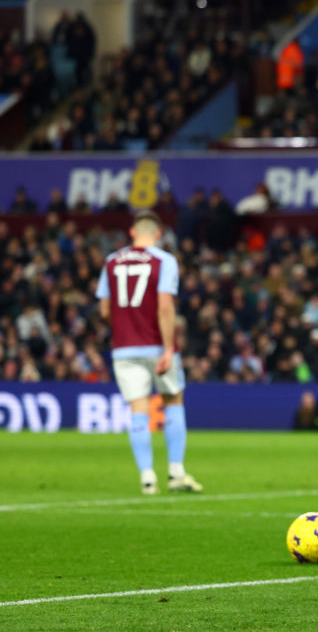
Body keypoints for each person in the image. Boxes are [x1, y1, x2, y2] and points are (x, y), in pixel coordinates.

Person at [95, 210, 202, 495]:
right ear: (158, 234)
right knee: (173, 401)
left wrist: (124, 326)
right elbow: (165, 307)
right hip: (156, 344)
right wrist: (169, 347)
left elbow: (104, 310)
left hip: (124, 348)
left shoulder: (111, 261)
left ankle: (146, 477)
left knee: (138, 410)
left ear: (132, 232)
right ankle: (176, 472)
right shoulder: (164, 260)